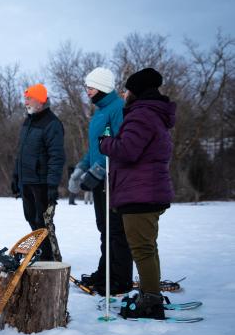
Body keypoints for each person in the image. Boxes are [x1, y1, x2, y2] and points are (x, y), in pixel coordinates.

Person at [99, 68, 175, 319]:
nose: (124, 93)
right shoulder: (152, 114)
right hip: (146, 191)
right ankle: (148, 293)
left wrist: (105, 143)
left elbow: (128, 149)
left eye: (128, 89)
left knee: (142, 249)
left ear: (137, 92)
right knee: (147, 248)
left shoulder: (142, 115)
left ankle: (151, 301)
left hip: (140, 193)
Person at [68, 67, 133, 295]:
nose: (87, 92)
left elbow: (121, 145)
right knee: (104, 229)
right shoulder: (99, 112)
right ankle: (105, 271)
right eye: (87, 87)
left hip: (114, 179)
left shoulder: (118, 109)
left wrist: (98, 170)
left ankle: (121, 278)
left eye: (91, 87)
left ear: (103, 88)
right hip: (100, 180)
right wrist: (81, 169)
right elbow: (94, 149)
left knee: (116, 231)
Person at [11, 84, 65, 260]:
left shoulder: (52, 123)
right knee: (31, 218)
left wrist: (52, 185)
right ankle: (40, 251)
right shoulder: (28, 120)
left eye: (29, 98)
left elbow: (56, 157)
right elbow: (21, 152)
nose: (25, 101)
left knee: (43, 222)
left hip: (41, 182)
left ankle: (49, 257)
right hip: (26, 180)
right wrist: (15, 177)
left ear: (40, 100)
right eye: (25, 98)